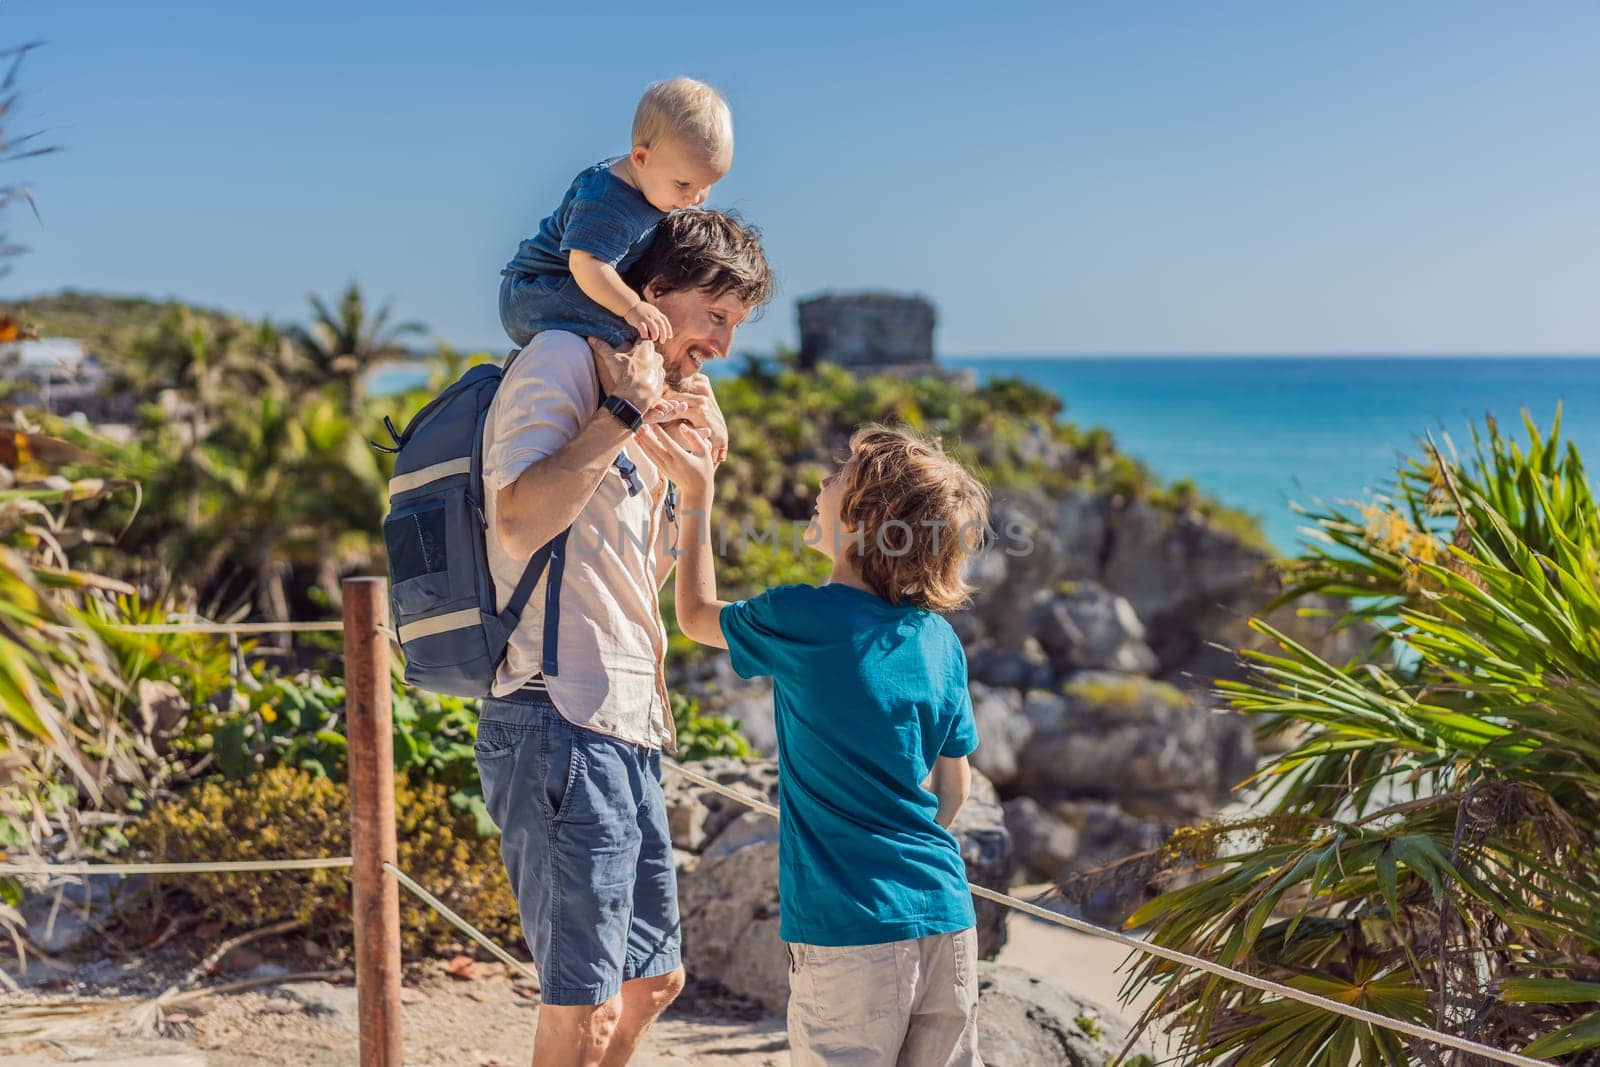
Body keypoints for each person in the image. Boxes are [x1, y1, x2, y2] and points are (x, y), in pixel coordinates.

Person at [474, 208, 773, 1067]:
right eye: (714, 316)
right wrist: (622, 410)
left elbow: (655, 589)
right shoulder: (560, 360)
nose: (720, 346)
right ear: (651, 292)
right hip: (557, 714)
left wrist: (699, 486)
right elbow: (521, 519)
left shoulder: (644, 395)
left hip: (629, 725)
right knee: (587, 1007)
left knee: (654, 982)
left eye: (734, 327)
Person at [637, 421, 991, 1066]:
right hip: (945, 912)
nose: (823, 484)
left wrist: (697, 496)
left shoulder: (803, 616)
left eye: (840, 478)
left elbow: (694, 615)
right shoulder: (940, 640)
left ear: (866, 521)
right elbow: (955, 786)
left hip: (850, 923)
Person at [499, 76, 733, 350]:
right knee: (630, 331)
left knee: (641, 326)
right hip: (536, 295)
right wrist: (632, 307)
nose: (693, 199)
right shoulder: (609, 201)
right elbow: (586, 265)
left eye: (705, 186)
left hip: (561, 290)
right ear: (641, 159)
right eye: (683, 184)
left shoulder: (653, 185)